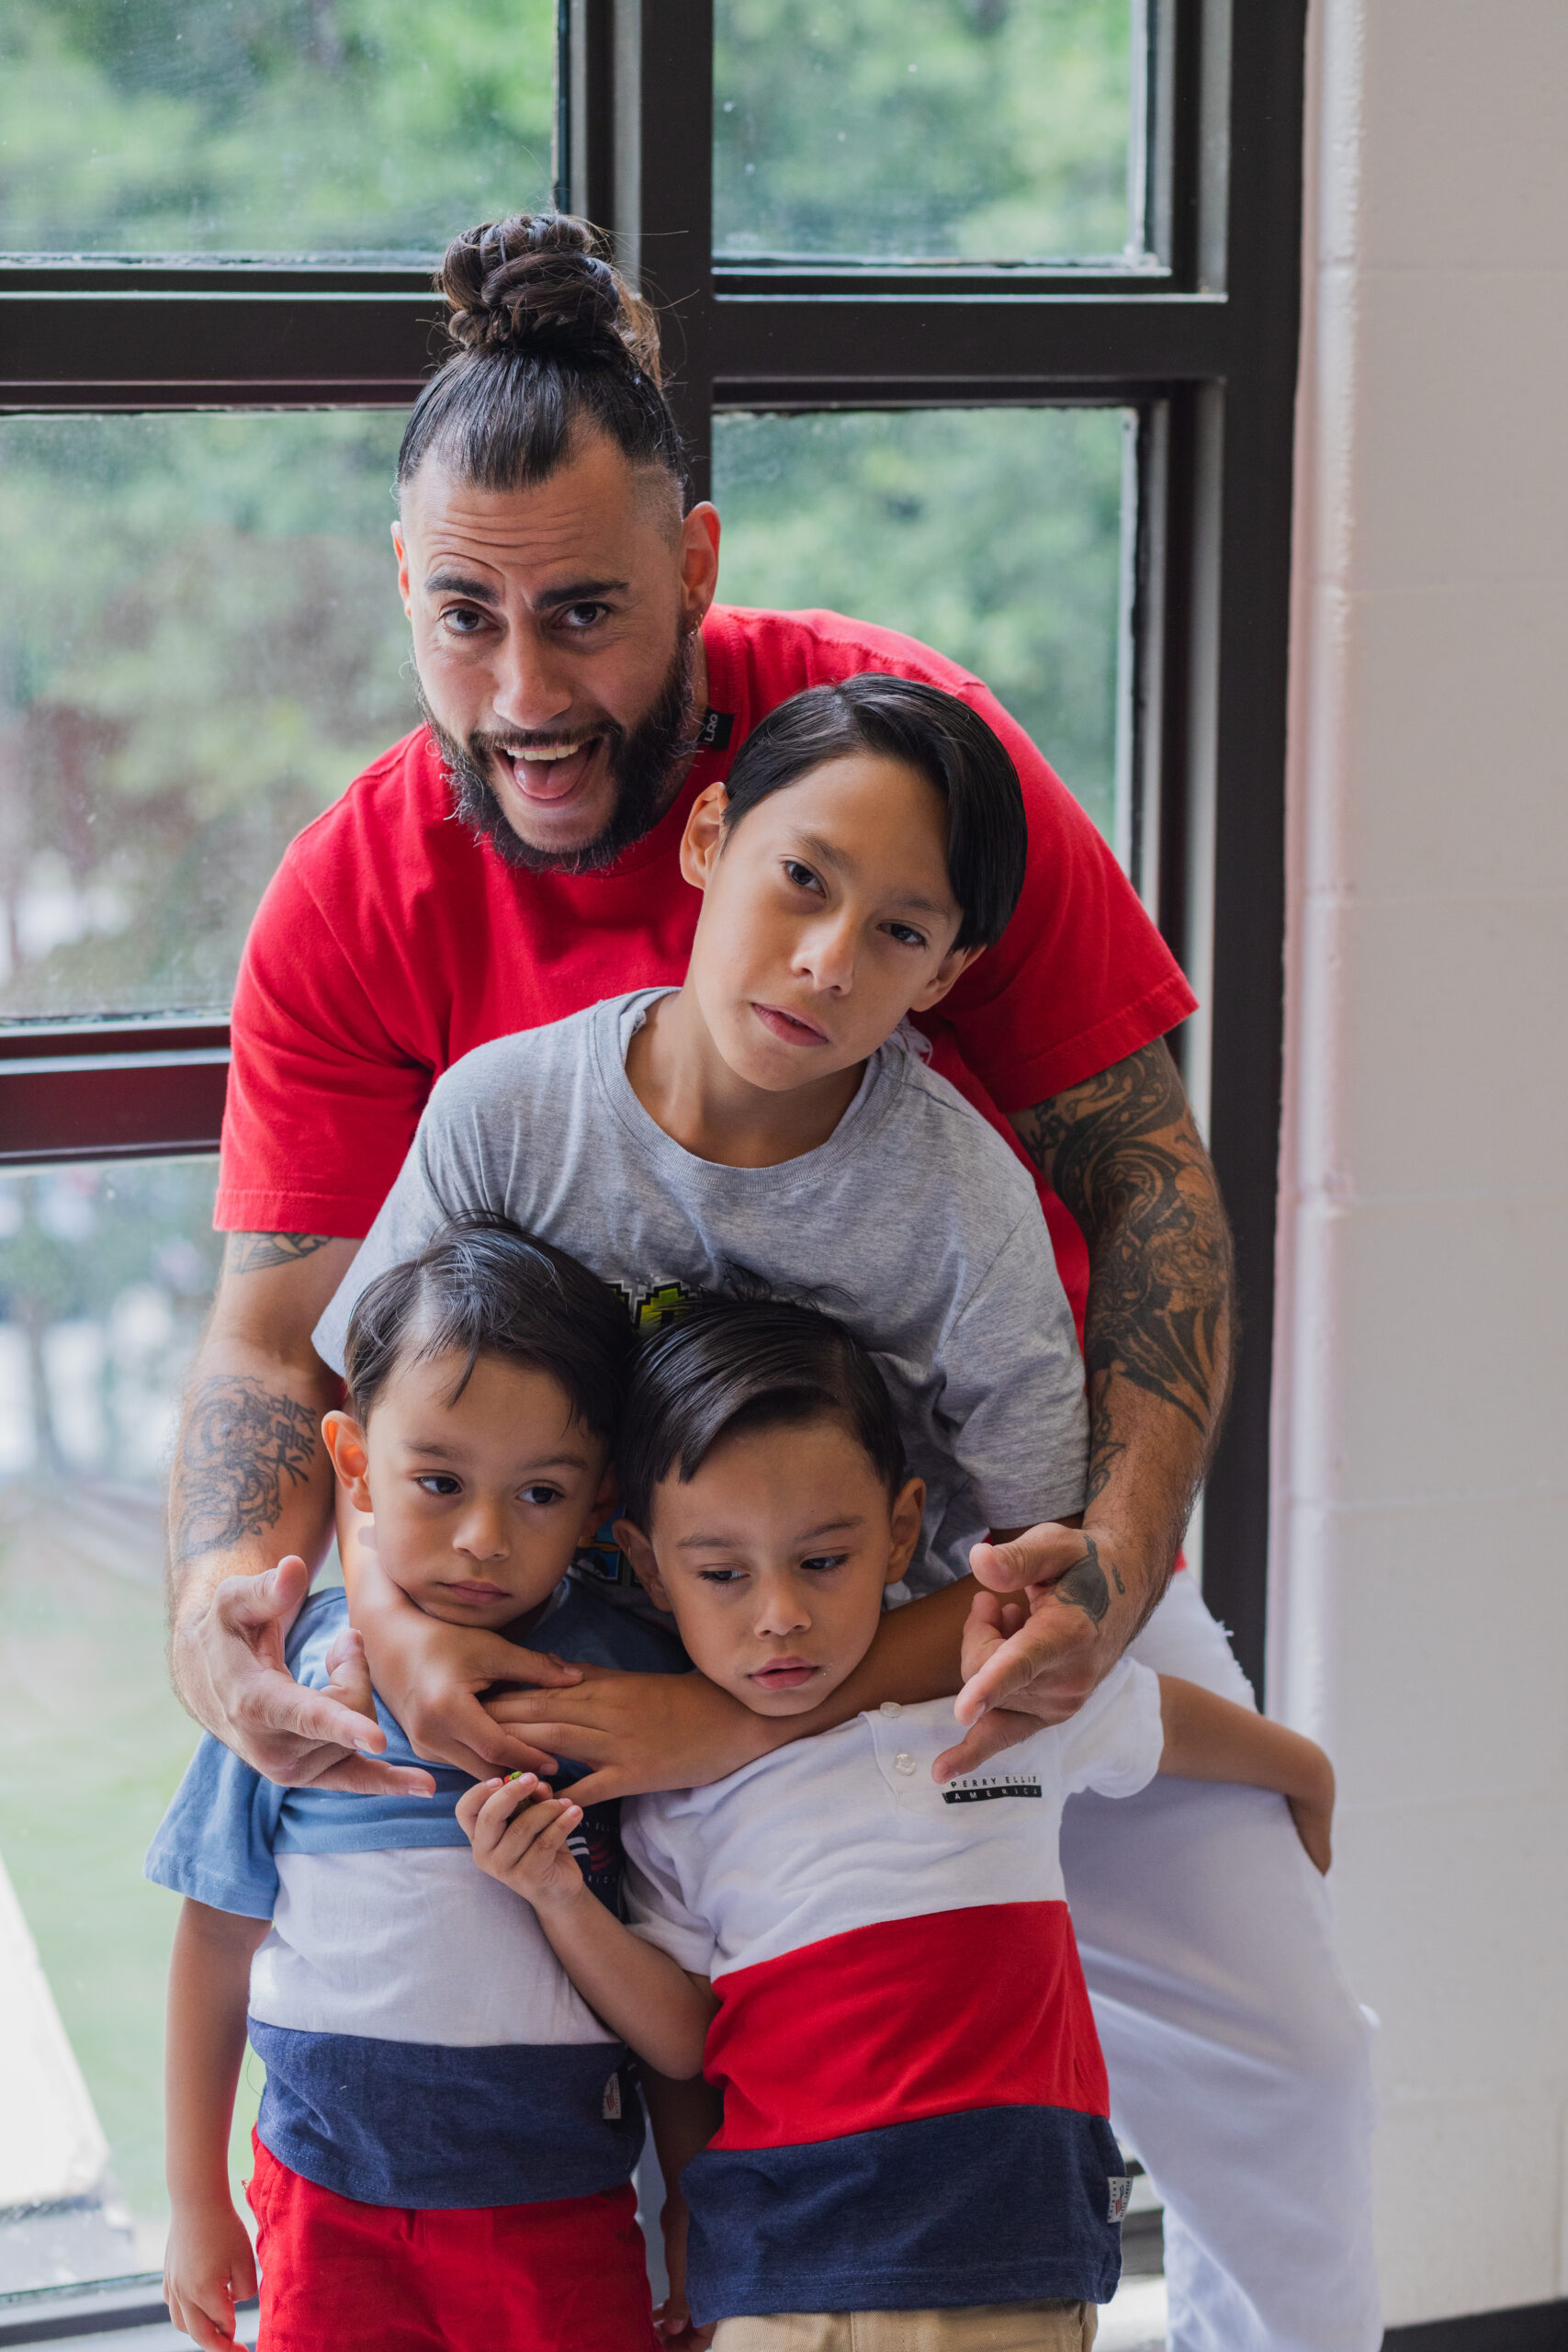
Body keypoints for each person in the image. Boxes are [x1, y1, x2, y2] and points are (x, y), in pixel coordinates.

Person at [164, 209, 1377, 2351]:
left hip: (967, 1551)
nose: (525, 692)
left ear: (695, 568)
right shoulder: (367, 899)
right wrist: (281, 1611)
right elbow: (290, 1347)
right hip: (567, 1588)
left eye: (586, 615)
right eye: (465, 618)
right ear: (401, 582)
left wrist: (1099, 1568)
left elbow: (1153, 1191)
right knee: (628, 2106)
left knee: (1279, 2050)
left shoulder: (892, 770)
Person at [462, 1299, 1337, 2352]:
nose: (779, 1614)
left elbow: (1159, 1717)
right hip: (780, 2275)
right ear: (651, 1568)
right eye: (723, 1574)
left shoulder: (999, 1700)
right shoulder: (671, 1797)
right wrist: (559, 1898)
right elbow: (686, 2041)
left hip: (1009, 2263)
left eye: (822, 1560)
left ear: (902, 1528)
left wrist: (1305, 1769)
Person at [311, 673, 1096, 1739]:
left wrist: (717, 1728)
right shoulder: (501, 1118)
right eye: (803, 878)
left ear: (945, 973)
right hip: (524, 1658)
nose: (827, 962)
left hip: (836, 1699)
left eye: (900, 932)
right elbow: (377, 1428)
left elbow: (1043, 1573)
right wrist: (399, 1641)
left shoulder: (966, 1205)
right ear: (709, 839)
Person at [149, 1220, 694, 2352]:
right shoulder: (289, 1678)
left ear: (600, 1500)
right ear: (354, 1462)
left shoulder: (631, 1684)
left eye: (539, 1493)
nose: (484, 1537)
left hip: (561, 2210)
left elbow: (680, 1971)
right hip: (325, 2200)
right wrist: (195, 2199)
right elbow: (214, 1938)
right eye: (438, 1481)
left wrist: (694, 2200)